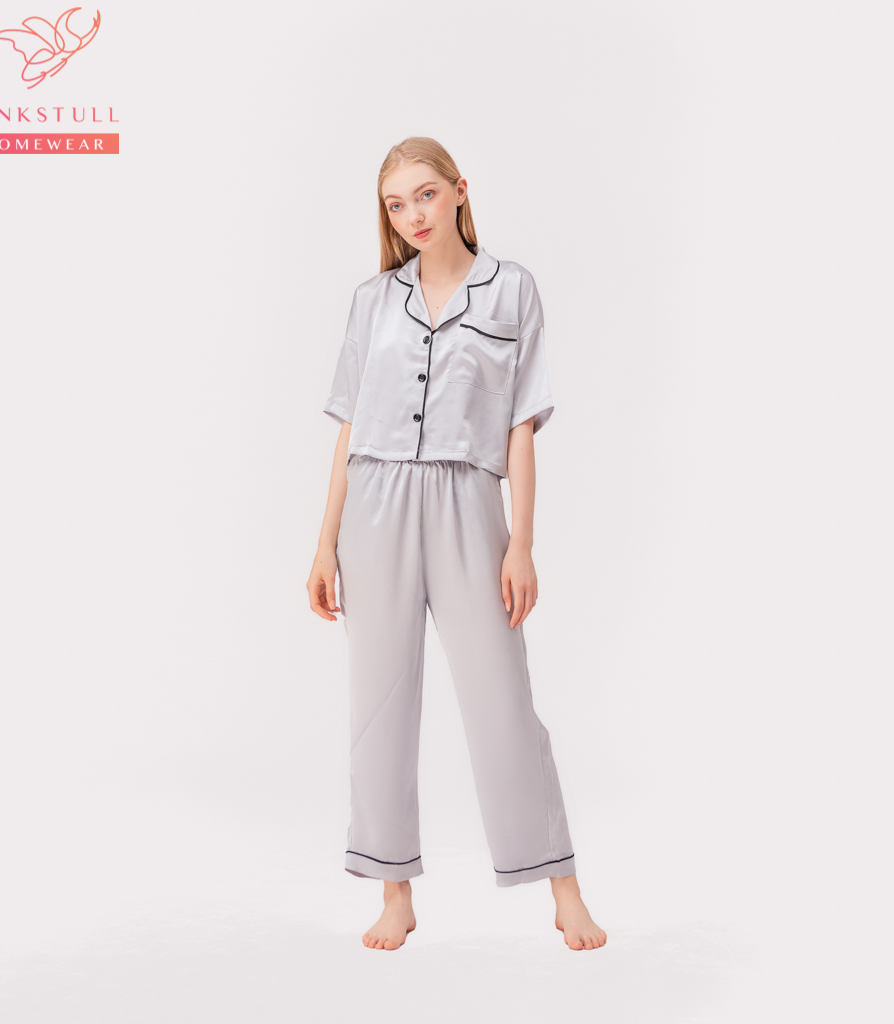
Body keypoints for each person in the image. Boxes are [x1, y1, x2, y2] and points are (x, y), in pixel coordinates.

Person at [307, 137, 606, 952]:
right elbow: (349, 429)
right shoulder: (373, 300)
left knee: (503, 702)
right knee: (379, 706)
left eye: (426, 195)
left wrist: (522, 544)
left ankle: (563, 888)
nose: (413, 215)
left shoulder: (512, 289)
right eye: (396, 204)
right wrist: (325, 543)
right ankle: (394, 895)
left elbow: (520, 426)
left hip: (470, 503)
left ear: (459, 191)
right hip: (374, 504)